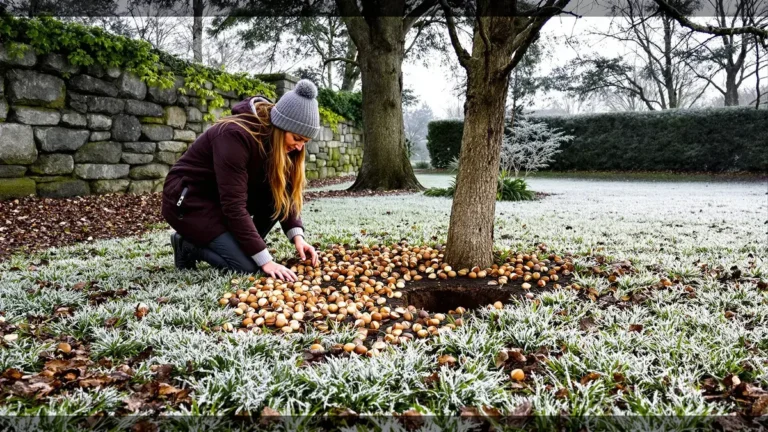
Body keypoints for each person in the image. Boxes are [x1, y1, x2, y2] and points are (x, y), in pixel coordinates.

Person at [161, 79, 321, 281]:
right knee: (248, 268)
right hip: (191, 202)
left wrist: (298, 238)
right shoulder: (234, 135)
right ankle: (186, 245)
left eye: (305, 142)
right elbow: (234, 206)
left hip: (221, 200)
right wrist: (266, 260)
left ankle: (240, 248)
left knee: (272, 207)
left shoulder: (283, 145)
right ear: (281, 127)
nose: (299, 147)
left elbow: (284, 194)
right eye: (297, 138)